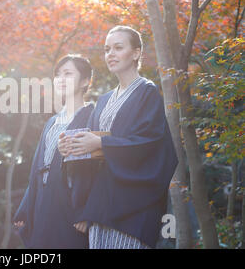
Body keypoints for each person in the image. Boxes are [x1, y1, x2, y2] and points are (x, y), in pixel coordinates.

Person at [58, 25, 178, 249]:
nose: (110, 54)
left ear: (136, 53)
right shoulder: (103, 101)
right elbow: (92, 153)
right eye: (106, 49)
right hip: (101, 208)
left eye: (118, 48)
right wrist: (71, 147)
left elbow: (149, 145)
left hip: (133, 208)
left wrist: (101, 143)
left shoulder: (147, 92)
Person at [13, 54, 95, 248]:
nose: (60, 79)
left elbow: (100, 171)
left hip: (71, 203)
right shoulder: (52, 121)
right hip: (44, 197)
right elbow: (37, 168)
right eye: (58, 75)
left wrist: (88, 211)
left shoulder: (93, 117)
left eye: (68, 73)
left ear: (85, 81)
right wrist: (26, 206)